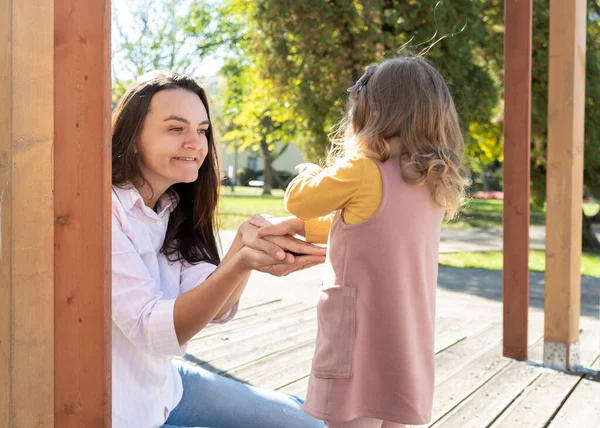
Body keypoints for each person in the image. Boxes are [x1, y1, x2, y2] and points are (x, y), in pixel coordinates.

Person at [250, 56, 469, 428]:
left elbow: (299, 198)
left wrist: (314, 173)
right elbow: (378, 228)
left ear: (371, 111)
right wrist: (310, 228)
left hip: (359, 337)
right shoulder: (434, 181)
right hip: (407, 335)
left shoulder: (362, 170)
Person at [111, 70, 326, 428]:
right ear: (133, 138)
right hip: (126, 409)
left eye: (202, 130)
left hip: (166, 385)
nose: (195, 143)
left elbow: (213, 307)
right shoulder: (104, 212)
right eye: (176, 129)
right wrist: (240, 263)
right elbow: (156, 330)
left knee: (311, 423)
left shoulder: (172, 208)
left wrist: (247, 244)